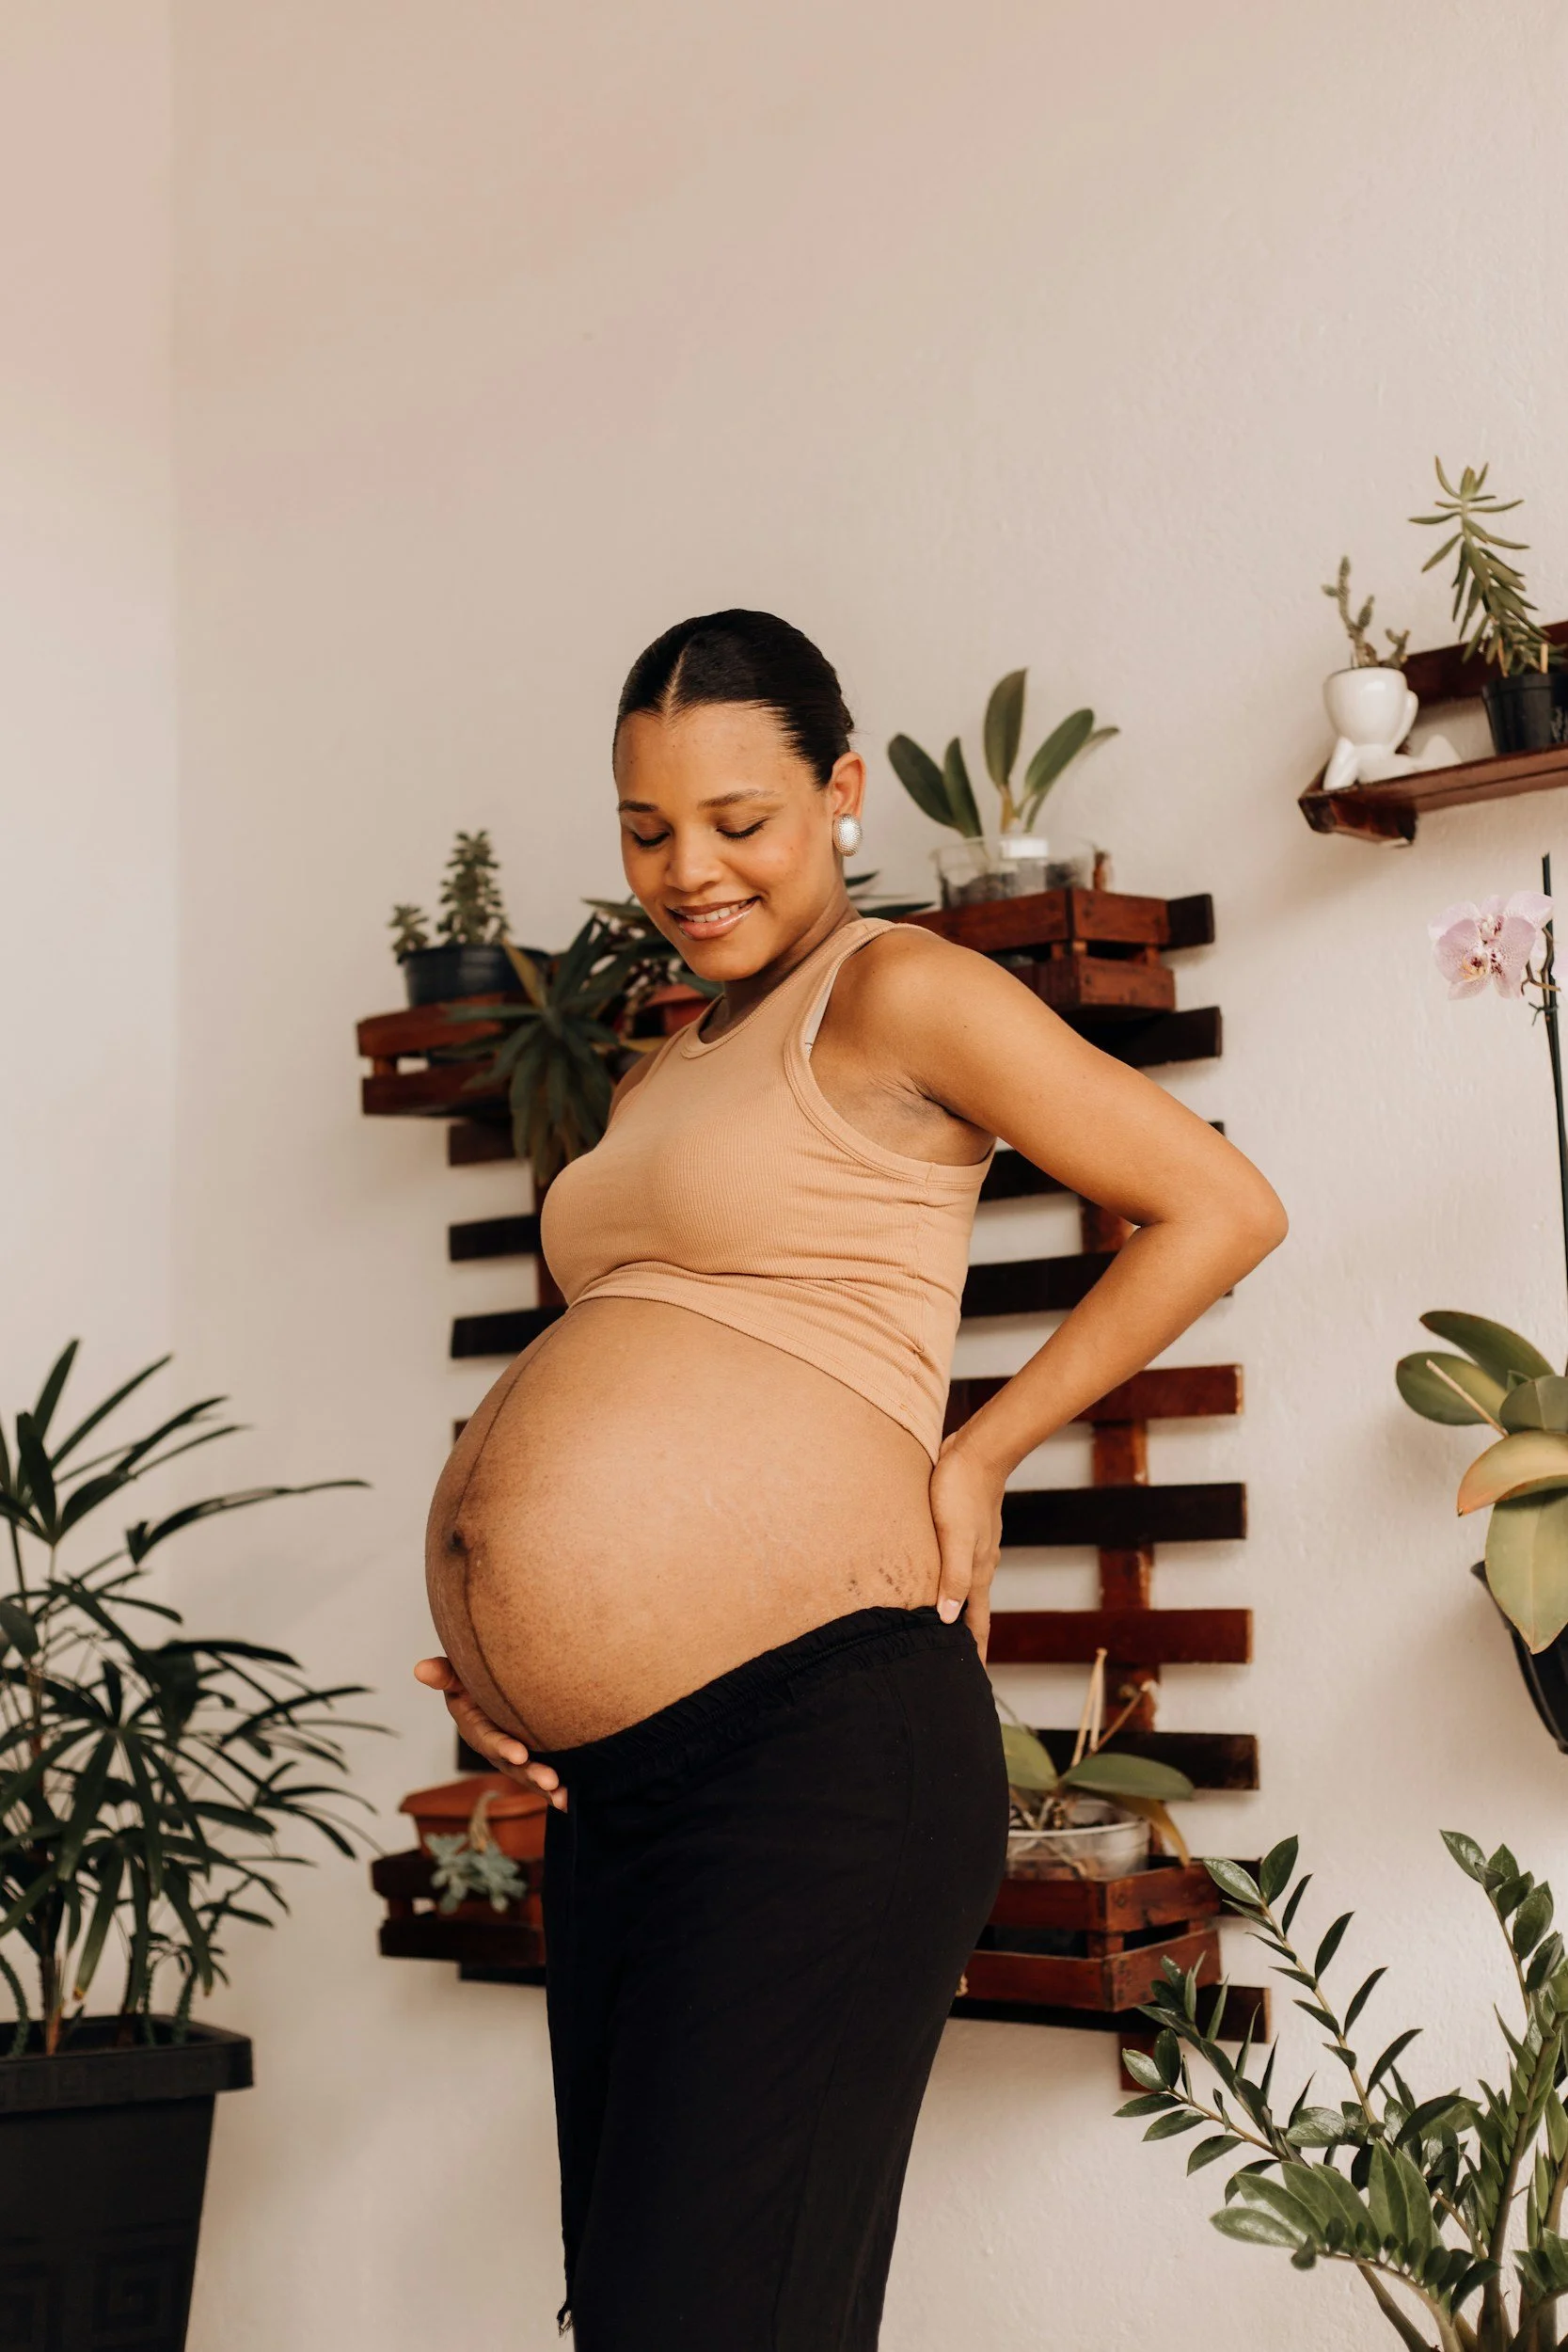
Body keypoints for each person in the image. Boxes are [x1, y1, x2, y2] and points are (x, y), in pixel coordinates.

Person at [416, 610, 1286, 2349]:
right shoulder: (671, 1058)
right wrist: (517, 1645)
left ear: (842, 791)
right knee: (645, 2320)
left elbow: (1219, 1203)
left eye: (740, 820)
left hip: (809, 1752)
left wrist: (981, 1450)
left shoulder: (893, 986)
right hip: (626, 1784)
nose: (692, 867)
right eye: (648, 829)